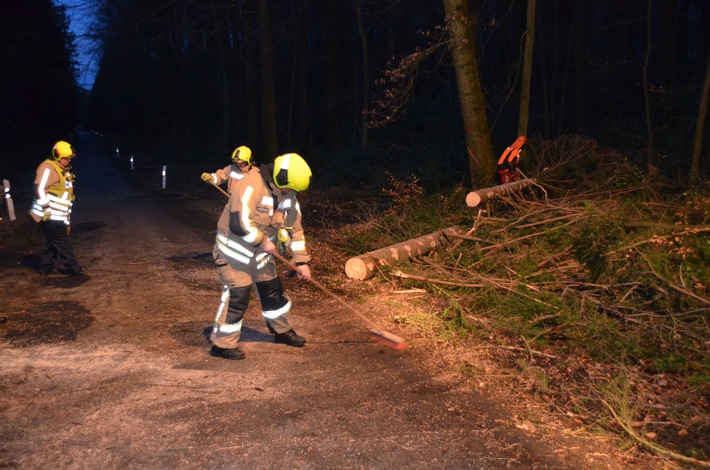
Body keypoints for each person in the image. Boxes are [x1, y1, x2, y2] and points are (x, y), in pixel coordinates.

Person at [208, 152, 313, 360]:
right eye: (291, 188)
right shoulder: (250, 185)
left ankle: (281, 332)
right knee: (238, 293)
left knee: (272, 291)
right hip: (233, 252)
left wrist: (301, 261)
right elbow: (240, 223)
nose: (292, 193)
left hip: (260, 255)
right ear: (282, 178)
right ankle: (222, 344)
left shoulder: (289, 197)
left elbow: (296, 230)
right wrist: (262, 241)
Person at [29, 141, 86, 275]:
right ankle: (71, 266)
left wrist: (66, 219)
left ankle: (45, 267)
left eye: (70, 158)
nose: (68, 160)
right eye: (66, 158)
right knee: (62, 241)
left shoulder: (63, 169)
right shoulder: (48, 168)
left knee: (53, 240)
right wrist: (46, 209)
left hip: (57, 214)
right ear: (57, 156)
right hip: (48, 214)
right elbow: (39, 189)